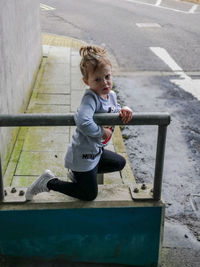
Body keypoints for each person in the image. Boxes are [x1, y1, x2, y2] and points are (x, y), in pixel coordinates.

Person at [25, 45, 133, 201]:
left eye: (107, 77)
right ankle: (49, 182)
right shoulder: (90, 98)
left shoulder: (111, 95)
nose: (105, 83)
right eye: (97, 79)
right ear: (86, 81)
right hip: (82, 156)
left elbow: (114, 109)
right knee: (89, 195)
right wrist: (102, 132)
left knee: (119, 162)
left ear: (111, 74)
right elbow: (83, 120)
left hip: (96, 152)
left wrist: (124, 109)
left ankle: (79, 176)